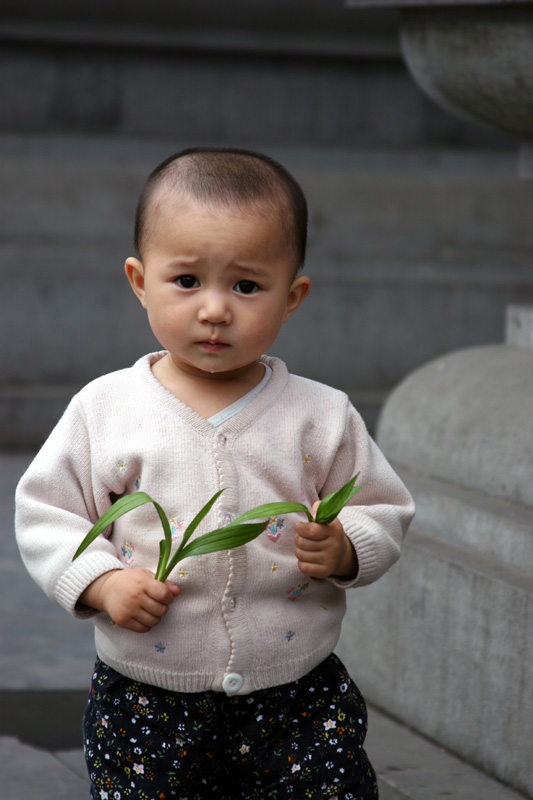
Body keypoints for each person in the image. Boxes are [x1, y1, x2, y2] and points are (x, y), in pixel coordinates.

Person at [15, 147, 415, 800]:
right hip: (147, 688)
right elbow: (46, 512)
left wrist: (345, 544)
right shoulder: (105, 409)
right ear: (139, 281)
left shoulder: (320, 415)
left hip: (296, 689)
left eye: (246, 286)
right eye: (186, 281)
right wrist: (101, 583)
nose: (214, 310)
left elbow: (382, 505)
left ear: (293, 296)